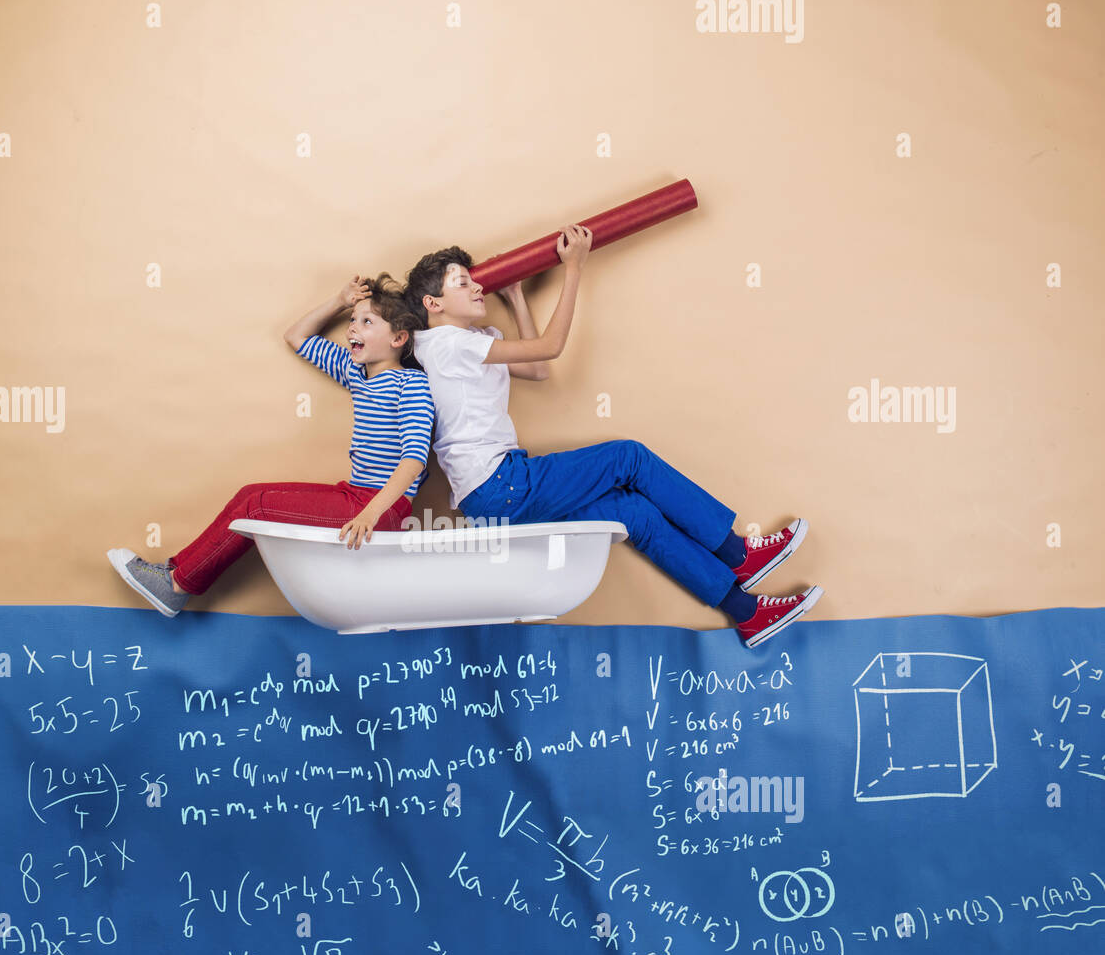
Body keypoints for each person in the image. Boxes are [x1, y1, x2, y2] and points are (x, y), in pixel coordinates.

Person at [401, 227, 822, 647]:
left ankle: (747, 614)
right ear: (432, 304)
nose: (477, 286)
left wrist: (516, 298)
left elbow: (537, 368)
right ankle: (739, 555)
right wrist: (574, 268)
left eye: (475, 279)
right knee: (628, 458)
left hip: (496, 495)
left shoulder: (471, 342)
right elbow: (550, 348)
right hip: (501, 484)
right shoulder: (443, 344)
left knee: (634, 514)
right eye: (463, 282)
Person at [108, 274, 433, 616]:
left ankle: (178, 585)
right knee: (250, 495)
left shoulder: (410, 384)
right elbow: (296, 336)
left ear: (399, 337)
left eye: (367, 322)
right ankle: (176, 575)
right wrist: (340, 300)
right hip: (353, 495)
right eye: (352, 321)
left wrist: (371, 513)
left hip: (381, 511)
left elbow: (414, 459)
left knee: (257, 507)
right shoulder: (355, 372)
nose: (352, 328)